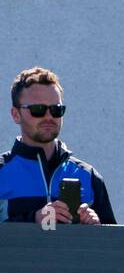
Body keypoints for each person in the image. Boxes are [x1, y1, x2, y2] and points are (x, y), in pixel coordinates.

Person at [1, 67, 115, 225]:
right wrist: (34, 219)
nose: (48, 117)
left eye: (56, 109)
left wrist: (97, 226)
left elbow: (113, 246)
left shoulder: (88, 175)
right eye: (38, 110)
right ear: (16, 114)